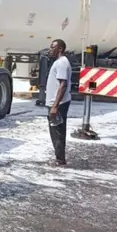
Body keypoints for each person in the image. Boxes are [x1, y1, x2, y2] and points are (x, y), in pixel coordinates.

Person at [46, 38, 72, 166]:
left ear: (60, 48)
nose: (50, 50)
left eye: (52, 47)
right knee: (55, 132)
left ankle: (60, 160)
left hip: (58, 105)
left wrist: (55, 106)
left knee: (58, 133)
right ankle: (59, 158)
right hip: (56, 103)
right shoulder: (59, 62)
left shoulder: (62, 63)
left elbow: (63, 85)